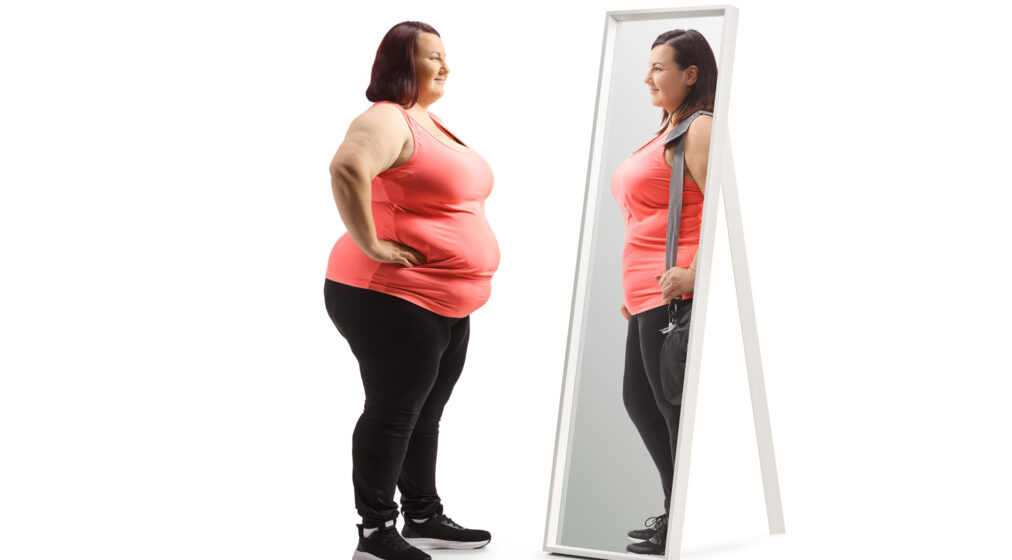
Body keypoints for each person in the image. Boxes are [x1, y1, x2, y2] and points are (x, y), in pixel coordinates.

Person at [323, 20, 498, 560]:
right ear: (402, 65)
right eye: (432, 57)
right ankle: (375, 534)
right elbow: (347, 167)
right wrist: (372, 242)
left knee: (426, 411)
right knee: (395, 410)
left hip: (444, 298)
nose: (446, 66)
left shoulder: (430, 122)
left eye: (446, 56)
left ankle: (422, 515)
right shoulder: (386, 117)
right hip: (391, 294)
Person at [609, 28, 717, 556]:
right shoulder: (665, 129)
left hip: (675, 290)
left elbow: (720, 205)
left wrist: (695, 273)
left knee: (671, 408)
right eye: (648, 67)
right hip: (646, 292)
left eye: (659, 67)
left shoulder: (699, 128)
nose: (647, 77)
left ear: (690, 73)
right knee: (640, 400)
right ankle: (677, 513)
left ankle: (682, 520)